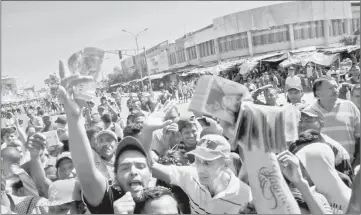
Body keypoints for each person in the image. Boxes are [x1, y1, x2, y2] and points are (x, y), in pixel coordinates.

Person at [151, 134, 252, 214]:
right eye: (198, 161)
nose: (200, 169)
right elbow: (151, 168)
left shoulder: (245, 196)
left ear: (226, 164)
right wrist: (147, 130)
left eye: (207, 163)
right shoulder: (191, 175)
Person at [305, 77, 360, 168]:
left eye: (336, 87)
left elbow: (359, 137)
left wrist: (357, 162)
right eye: (330, 88)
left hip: (349, 165)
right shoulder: (308, 112)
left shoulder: (349, 106)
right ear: (318, 93)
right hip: (321, 167)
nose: (335, 91)